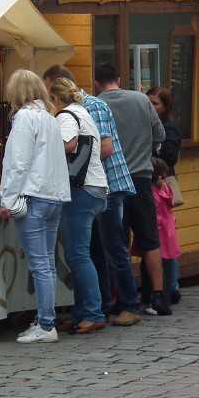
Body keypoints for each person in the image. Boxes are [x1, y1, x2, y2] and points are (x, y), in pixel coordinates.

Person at [41, 65, 140, 327]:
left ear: (55, 93)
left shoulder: (81, 109)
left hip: (96, 185)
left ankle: (115, 307)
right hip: (97, 185)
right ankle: (94, 309)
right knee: (93, 251)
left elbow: (97, 147)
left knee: (100, 251)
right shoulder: (83, 109)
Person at [0, 69, 71, 343]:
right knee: (47, 263)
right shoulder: (49, 118)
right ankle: (44, 320)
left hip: (34, 196)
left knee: (40, 264)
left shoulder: (25, 118)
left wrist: (8, 198)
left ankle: (46, 324)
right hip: (54, 196)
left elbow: (18, 163)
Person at [96, 62, 171, 317]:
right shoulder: (141, 99)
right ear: (119, 77)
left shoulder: (96, 105)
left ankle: (122, 297)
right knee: (149, 238)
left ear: (97, 83)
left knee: (117, 242)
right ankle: (159, 296)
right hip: (141, 177)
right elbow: (160, 133)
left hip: (113, 180)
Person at [47, 77, 108, 335]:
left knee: (78, 255)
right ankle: (82, 311)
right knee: (79, 254)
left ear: (55, 99)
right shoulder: (83, 111)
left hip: (81, 190)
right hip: (95, 188)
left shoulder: (65, 115)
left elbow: (68, 144)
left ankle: (93, 313)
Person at [146, 85, 183, 304]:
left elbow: (169, 157)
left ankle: (171, 285)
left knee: (166, 236)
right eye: (148, 102)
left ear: (164, 106)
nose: (151, 107)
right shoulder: (146, 124)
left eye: (155, 103)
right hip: (148, 187)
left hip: (161, 186)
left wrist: (153, 152)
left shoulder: (169, 128)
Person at [147, 157, 182, 305]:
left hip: (159, 230)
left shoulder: (151, 192)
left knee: (157, 262)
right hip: (169, 229)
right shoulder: (166, 188)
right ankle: (173, 288)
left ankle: (162, 290)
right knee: (171, 259)